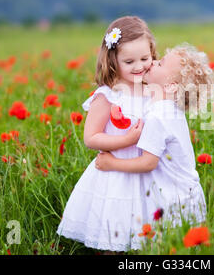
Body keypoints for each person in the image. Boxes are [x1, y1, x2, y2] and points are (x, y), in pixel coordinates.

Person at [56, 16, 158, 253]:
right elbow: (91, 137)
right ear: (112, 61)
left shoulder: (153, 90)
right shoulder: (108, 95)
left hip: (148, 169)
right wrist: (126, 140)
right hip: (115, 172)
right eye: (129, 61)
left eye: (145, 58)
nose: (139, 66)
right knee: (113, 231)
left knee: (148, 233)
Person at [95, 43, 214, 231]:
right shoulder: (169, 110)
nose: (153, 63)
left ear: (171, 86)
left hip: (176, 200)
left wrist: (111, 163)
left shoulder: (158, 116)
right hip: (186, 194)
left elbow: (148, 162)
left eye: (161, 64)